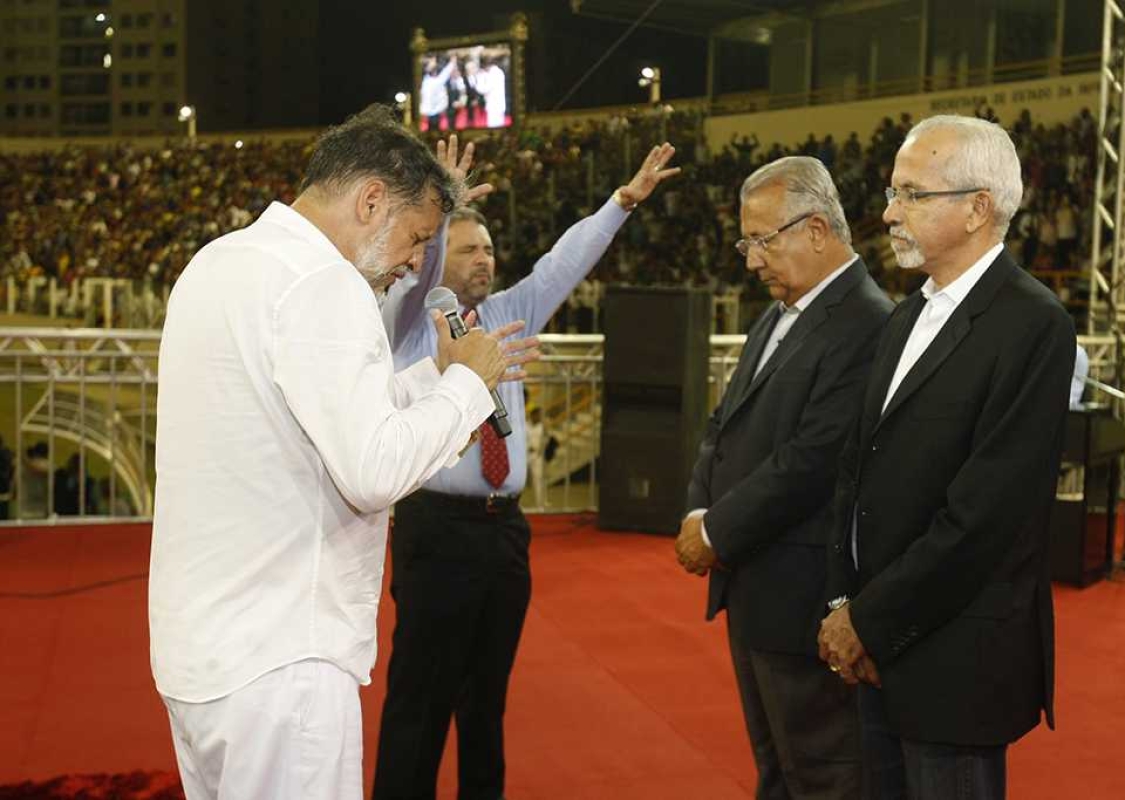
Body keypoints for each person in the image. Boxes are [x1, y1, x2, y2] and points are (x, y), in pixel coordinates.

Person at [148, 105, 538, 800]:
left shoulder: (219, 262)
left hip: (204, 650)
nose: (418, 263)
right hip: (283, 655)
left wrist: (431, 377)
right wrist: (468, 387)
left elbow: (317, 409)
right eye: (419, 238)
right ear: (370, 201)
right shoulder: (326, 284)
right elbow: (374, 471)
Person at [372, 143, 681, 800]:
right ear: (435, 260)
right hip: (434, 530)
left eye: (488, 249)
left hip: (503, 534)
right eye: (467, 249)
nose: (484, 258)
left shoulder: (514, 310)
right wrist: (443, 201)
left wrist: (622, 202)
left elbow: (564, 262)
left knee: (486, 703)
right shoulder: (409, 324)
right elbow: (412, 269)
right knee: (419, 702)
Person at [818, 115, 1076, 799]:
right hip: (875, 644)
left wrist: (867, 621)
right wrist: (848, 603)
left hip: (954, 656)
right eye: (891, 191)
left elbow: (984, 516)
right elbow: (857, 470)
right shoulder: (904, 316)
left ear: (977, 209)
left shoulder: (1034, 323)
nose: (888, 212)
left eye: (910, 194)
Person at [675, 156, 893, 800]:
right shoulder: (777, 313)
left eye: (764, 240)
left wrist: (715, 530)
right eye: (747, 242)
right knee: (777, 769)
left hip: (803, 598)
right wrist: (696, 513)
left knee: (822, 775)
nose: (750, 259)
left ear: (818, 229)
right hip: (754, 587)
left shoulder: (867, 321)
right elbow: (724, 424)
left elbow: (812, 460)